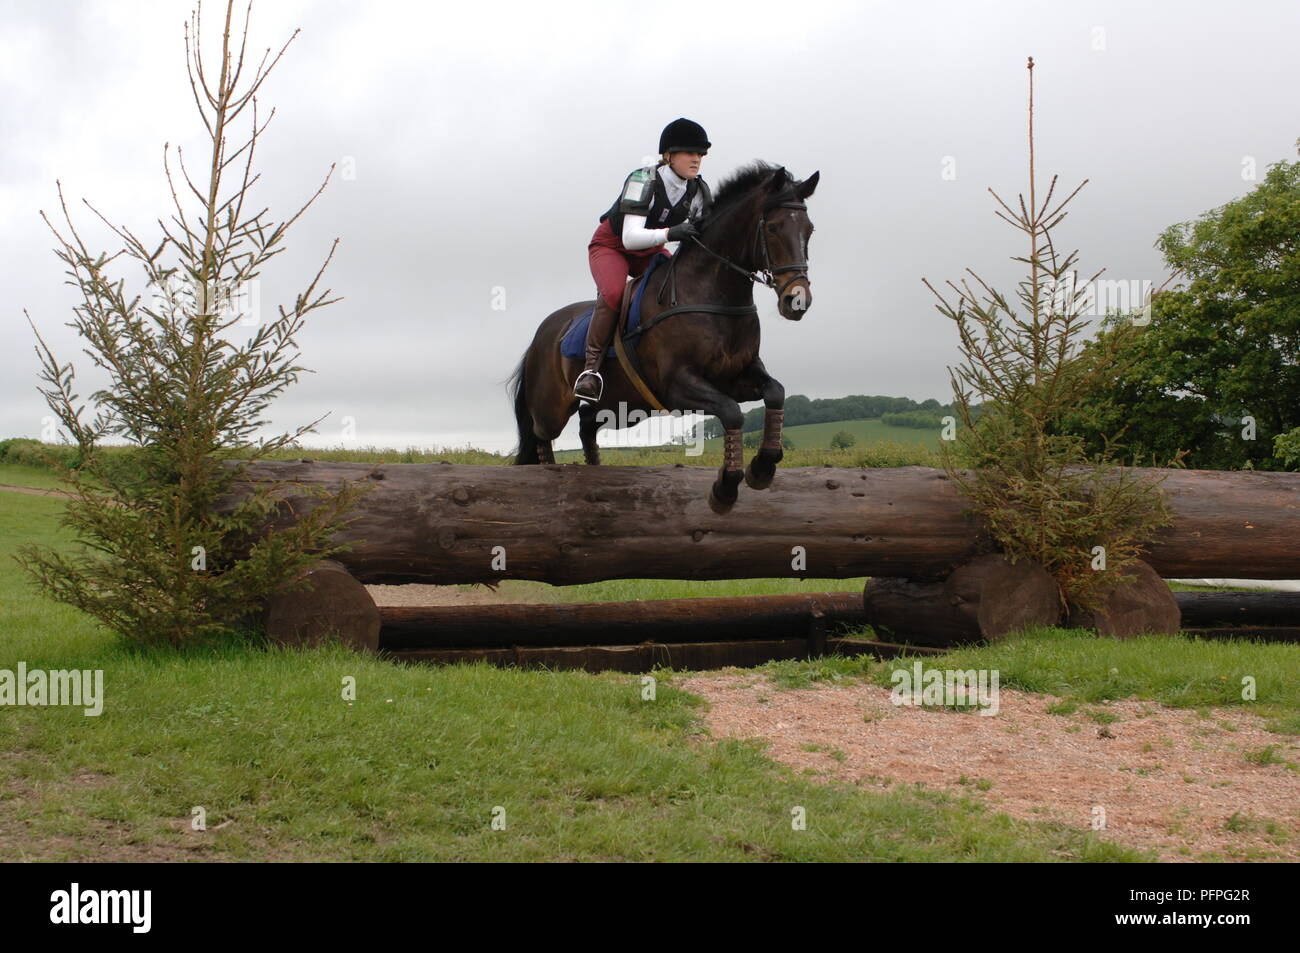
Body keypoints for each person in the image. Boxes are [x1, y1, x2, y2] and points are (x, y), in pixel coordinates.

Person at [573, 117, 713, 402]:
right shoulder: (642, 179)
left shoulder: (698, 191)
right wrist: (673, 232)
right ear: (668, 156)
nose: (696, 160)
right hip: (612, 246)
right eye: (689, 153)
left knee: (677, 288)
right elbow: (630, 237)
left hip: (650, 250)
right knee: (613, 294)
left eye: (700, 154)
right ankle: (591, 372)